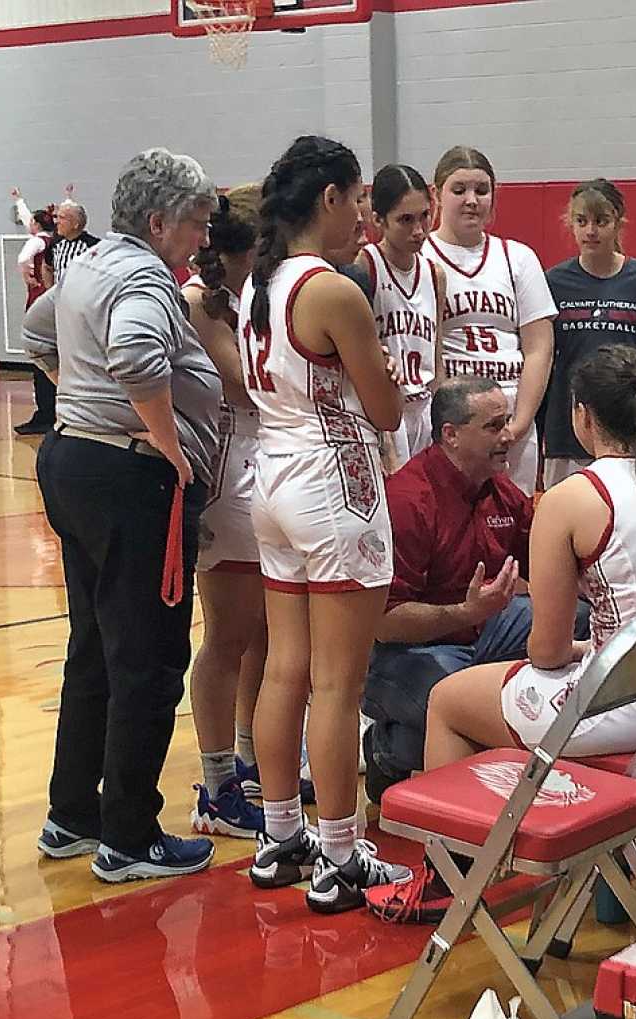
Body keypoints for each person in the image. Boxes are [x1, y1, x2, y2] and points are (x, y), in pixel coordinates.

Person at [369, 344, 636, 920]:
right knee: (509, 673)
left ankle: (447, 880)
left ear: (583, 416)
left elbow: (545, 653)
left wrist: (583, 650)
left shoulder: (575, 494)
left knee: (450, 702)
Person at [24, 147, 222, 883]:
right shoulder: (140, 273)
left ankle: (71, 815)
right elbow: (138, 356)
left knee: (97, 646)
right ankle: (130, 838)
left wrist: (80, 398)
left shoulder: (90, 264)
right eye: (197, 222)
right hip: (128, 475)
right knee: (148, 658)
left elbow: (39, 334)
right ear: (159, 219)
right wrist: (168, 448)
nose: (202, 236)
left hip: (73, 458)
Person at [240, 135, 412, 912]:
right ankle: (341, 855)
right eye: (361, 201)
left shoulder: (259, 281)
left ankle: (281, 836)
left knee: (285, 668)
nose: (366, 218)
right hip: (329, 480)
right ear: (331, 200)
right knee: (339, 685)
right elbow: (383, 408)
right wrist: (393, 380)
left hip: (270, 479)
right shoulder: (333, 289)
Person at [362, 377, 549, 801]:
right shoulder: (408, 501)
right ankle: (387, 750)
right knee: (471, 714)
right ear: (451, 434)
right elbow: (383, 624)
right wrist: (465, 614)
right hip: (407, 652)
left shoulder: (501, 491)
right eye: (493, 426)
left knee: (575, 618)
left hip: (486, 627)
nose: (508, 435)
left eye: (506, 423)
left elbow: (546, 566)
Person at [178, 185, 268, 841]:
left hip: (273, 470)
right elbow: (244, 382)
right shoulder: (197, 301)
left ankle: (251, 761)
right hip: (231, 473)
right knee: (228, 636)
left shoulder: (262, 296)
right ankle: (215, 787)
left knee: (267, 633)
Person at [427, 146, 557, 494]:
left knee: (512, 520)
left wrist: (520, 422)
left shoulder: (517, 257)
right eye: (459, 190)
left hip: (510, 406)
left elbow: (539, 347)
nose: (471, 200)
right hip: (455, 412)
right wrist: (445, 415)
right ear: (435, 193)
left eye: (481, 190)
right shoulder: (422, 257)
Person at [543, 179, 636, 488]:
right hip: (567, 428)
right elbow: (544, 359)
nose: (591, 231)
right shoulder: (553, 282)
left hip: (626, 428)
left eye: (601, 221)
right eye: (581, 221)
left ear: (618, 222)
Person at [358, 164, 445, 465]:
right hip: (387, 413)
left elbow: (437, 353)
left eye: (424, 216)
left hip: (425, 410)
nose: (419, 230)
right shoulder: (364, 266)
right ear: (378, 219)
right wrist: (385, 442)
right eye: (405, 220)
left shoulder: (434, 274)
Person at [17, 188, 100, 436]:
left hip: (81, 314)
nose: (56, 222)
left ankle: (79, 413)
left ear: (75, 222)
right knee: (44, 360)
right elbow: (47, 267)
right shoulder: (55, 245)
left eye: (62, 218)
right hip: (58, 311)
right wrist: (50, 292)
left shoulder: (94, 246)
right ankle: (44, 413)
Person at [12, 188, 58, 309]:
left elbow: (23, 259)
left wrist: (27, 276)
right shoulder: (52, 239)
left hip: (40, 287)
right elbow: (27, 219)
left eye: (32, 221)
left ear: (37, 225)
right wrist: (18, 200)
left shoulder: (36, 241)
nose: (29, 224)